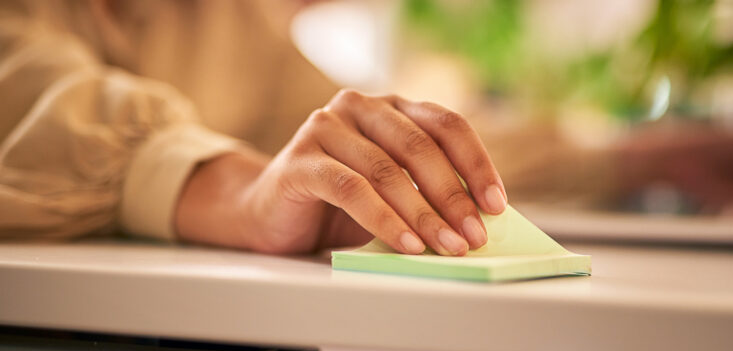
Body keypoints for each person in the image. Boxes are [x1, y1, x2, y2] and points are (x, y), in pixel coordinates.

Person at [0, 0, 509, 256]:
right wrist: (244, 195)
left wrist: (586, 156)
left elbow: (357, 134)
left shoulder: (236, 21)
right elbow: (32, 93)